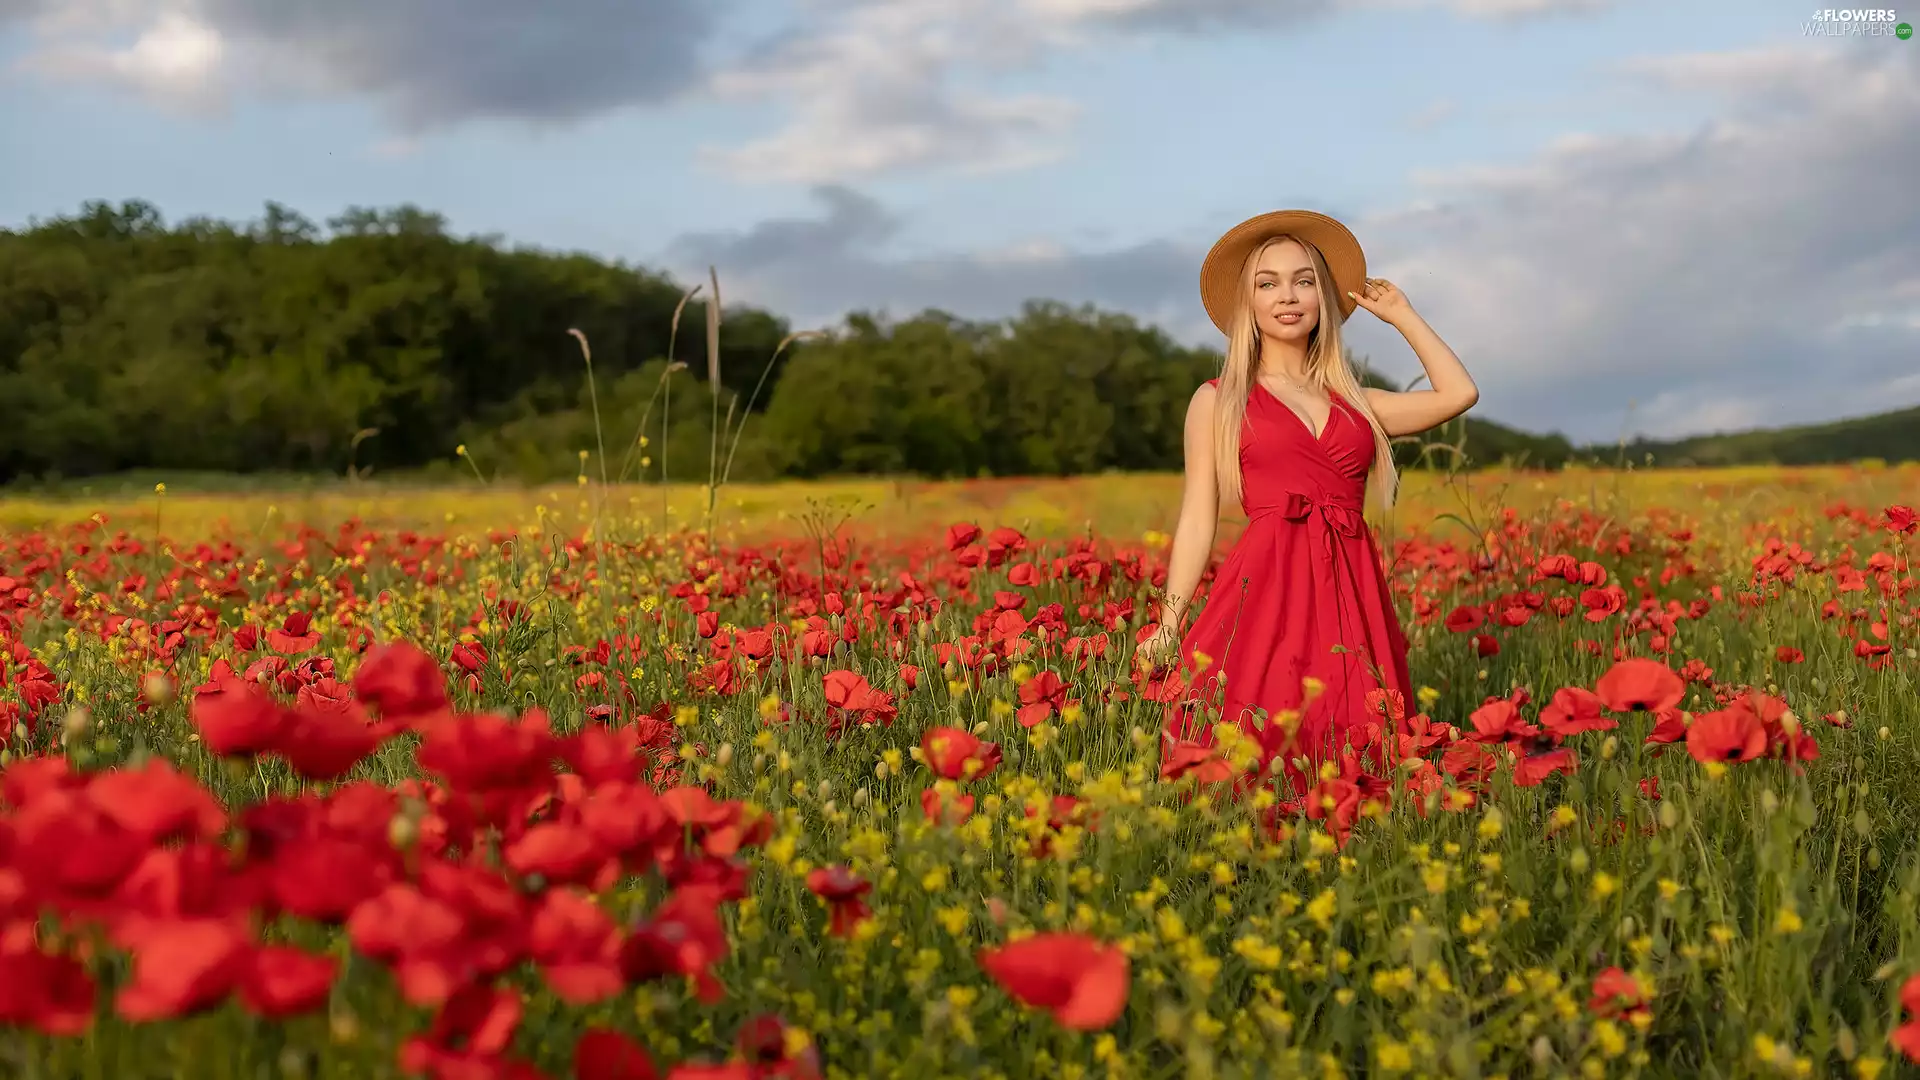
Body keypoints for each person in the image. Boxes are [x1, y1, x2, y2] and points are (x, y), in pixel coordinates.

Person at [1135, 209, 1479, 791]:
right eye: (1267, 283)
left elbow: (1460, 392)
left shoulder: (1358, 403)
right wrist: (1169, 623)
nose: (1286, 296)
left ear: (1324, 296)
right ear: (1248, 303)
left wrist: (1402, 315)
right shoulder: (1218, 399)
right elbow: (1198, 515)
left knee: (1356, 735)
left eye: (1304, 280)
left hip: (1349, 585)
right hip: (1266, 584)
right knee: (1258, 745)